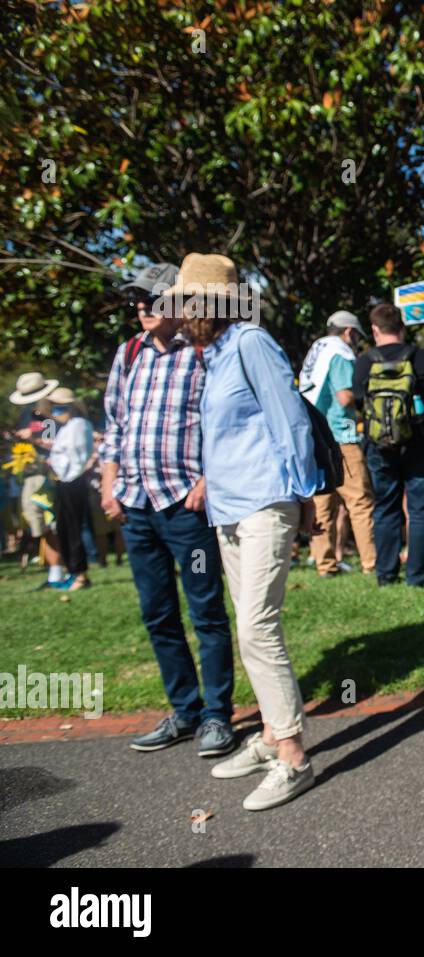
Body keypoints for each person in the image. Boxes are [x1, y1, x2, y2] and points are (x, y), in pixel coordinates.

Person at [171, 252, 322, 811]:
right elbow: (234, 431)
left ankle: (293, 757)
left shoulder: (253, 342)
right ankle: (267, 738)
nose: (182, 310)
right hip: (230, 507)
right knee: (247, 628)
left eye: (189, 299)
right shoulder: (215, 355)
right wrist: (210, 479)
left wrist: (304, 494)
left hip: (266, 502)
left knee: (259, 627)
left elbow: (289, 420)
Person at [100, 264, 240, 758]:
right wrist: (109, 483)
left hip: (185, 506)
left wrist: (206, 480)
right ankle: (184, 711)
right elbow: (115, 423)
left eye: (151, 300)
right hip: (138, 508)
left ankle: (217, 716)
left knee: (206, 612)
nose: (141, 308)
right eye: (136, 301)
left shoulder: (204, 354)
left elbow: (224, 423)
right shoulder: (129, 354)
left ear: (180, 305)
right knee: (157, 614)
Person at [353, 303, 424, 587]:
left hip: (380, 447)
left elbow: (358, 403)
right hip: (422, 445)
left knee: (385, 508)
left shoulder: (365, 362)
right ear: (402, 328)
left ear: (374, 330)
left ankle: (386, 574)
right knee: (420, 510)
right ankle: (417, 576)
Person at [299, 310, 377, 578]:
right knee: (360, 501)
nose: (356, 342)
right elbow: (345, 397)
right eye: (356, 336)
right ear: (348, 332)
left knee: (323, 504)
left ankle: (325, 564)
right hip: (341, 437)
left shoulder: (316, 350)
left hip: (314, 437)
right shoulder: (341, 353)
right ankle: (371, 564)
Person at [8, 374, 65, 586]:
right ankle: (54, 571)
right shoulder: (26, 415)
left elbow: (53, 443)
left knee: (47, 523)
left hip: (45, 475)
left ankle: (58, 571)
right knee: (36, 523)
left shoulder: (48, 416)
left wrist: (31, 437)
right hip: (28, 475)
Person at [42, 387, 95, 591]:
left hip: (73, 480)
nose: (55, 411)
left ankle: (80, 573)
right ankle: (74, 571)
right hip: (65, 481)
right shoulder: (66, 427)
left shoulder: (79, 425)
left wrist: (59, 467)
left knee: (74, 528)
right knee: (64, 527)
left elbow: (76, 457)